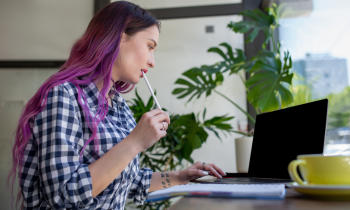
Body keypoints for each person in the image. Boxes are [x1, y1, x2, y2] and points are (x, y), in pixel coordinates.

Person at [7, 1, 226, 210]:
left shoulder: (119, 105)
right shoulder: (63, 95)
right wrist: (135, 142)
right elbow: (62, 194)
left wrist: (181, 176)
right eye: (150, 46)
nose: (152, 61)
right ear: (119, 37)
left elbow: (127, 181)